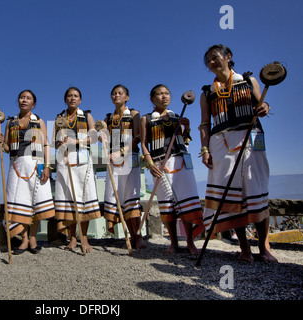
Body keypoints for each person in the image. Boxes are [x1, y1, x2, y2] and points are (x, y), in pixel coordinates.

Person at [199, 44, 277, 262]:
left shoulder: (249, 81)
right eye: (208, 60)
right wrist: (204, 149)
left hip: (251, 138)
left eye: (215, 57)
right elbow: (204, 123)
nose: (211, 62)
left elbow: (262, 105)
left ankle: (264, 248)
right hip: (220, 143)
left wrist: (265, 107)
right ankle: (244, 248)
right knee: (230, 195)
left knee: (256, 189)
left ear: (228, 57)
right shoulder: (207, 92)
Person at [140, 84, 204, 255]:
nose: (164, 97)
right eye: (160, 94)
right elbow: (144, 145)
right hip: (160, 163)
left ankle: (190, 242)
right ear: (152, 99)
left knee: (187, 202)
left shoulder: (177, 117)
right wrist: (150, 165)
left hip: (181, 162)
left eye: (167, 93)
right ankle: (174, 243)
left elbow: (185, 139)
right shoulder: (146, 118)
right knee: (167, 205)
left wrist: (187, 128)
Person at [0, 90, 55, 255]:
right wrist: (0, 143)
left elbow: (46, 145)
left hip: (36, 164)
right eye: (22, 97)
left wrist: (47, 167)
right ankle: (24, 238)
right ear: (18, 101)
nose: (24, 100)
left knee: (35, 202)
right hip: (16, 165)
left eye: (28, 98)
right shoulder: (10, 122)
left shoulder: (39, 121)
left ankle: (34, 237)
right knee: (19, 201)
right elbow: (7, 148)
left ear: (33, 104)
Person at [53, 87, 101, 253]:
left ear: (80, 100)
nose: (72, 98)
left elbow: (94, 138)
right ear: (65, 99)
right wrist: (59, 143)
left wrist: (75, 141)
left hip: (82, 160)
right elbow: (54, 142)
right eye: (69, 96)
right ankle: (73, 238)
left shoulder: (87, 116)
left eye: (76, 96)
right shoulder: (60, 118)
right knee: (70, 198)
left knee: (84, 198)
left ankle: (84, 238)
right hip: (65, 160)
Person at [101, 84, 145, 250]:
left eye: (120, 93)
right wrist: (102, 137)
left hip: (129, 157)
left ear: (127, 97)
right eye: (113, 93)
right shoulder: (108, 119)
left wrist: (122, 151)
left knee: (131, 197)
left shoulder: (133, 114)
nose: (116, 96)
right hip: (113, 160)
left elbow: (138, 137)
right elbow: (105, 137)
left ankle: (138, 236)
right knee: (119, 198)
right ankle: (130, 235)